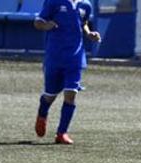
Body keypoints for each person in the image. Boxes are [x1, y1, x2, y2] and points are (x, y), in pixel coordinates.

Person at [33, 0, 101, 145]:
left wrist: (89, 34)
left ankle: (61, 133)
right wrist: (46, 25)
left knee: (71, 93)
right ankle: (42, 113)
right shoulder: (54, 2)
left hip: (75, 57)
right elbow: (38, 22)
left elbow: (83, 23)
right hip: (55, 56)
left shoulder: (85, 5)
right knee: (50, 95)